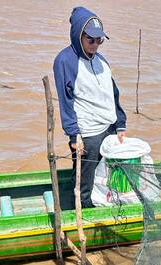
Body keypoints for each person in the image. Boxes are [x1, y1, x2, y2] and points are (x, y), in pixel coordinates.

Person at [53, 7, 127, 208]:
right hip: (88, 133)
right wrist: (73, 135)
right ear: (79, 36)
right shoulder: (65, 61)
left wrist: (120, 124)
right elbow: (65, 101)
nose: (95, 45)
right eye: (91, 40)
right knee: (84, 178)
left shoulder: (102, 60)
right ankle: (83, 207)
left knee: (107, 173)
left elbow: (113, 94)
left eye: (99, 40)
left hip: (109, 127)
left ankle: (102, 202)